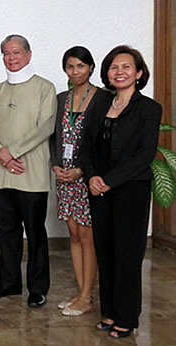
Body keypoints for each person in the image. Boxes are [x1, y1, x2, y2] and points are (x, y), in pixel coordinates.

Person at [80, 45, 161, 339]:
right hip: (99, 189)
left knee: (127, 255)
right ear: (107, 74)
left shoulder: (149, 108)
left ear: (139, 73)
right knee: (106, 252)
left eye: (126, 67)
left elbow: (145, 153)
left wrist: (110, 180)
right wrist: (91, 176)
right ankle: (110, 313)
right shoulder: (99, 104)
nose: (120, 72)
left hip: (131, 190)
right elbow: (85, 146)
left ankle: (127, 318)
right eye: (114, 67)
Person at [0, 34, 56, 307]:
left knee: (35, 233)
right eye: (6, 53)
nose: (11, 58)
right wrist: (1, 152)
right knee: (7, 232)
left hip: (31, 174)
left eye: (16, 52)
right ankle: (9, 283)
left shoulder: (44, 88)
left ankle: (38, 287)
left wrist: (11, 152)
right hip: (1, 175)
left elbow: (46, 126)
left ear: (29, 54)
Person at [49, 46, 102, 316]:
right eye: (70, 67)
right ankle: (81, 292)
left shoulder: (102, 98)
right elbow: (53, 137)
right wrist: (56, 164)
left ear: (91, 67)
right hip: (64, 177)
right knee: (73, 233)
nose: (75, 71)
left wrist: (81, 170)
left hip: (87, 177)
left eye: (81, 66)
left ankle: (86, 296)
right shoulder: (61, 99)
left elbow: (103, 142)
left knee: (87, 235)